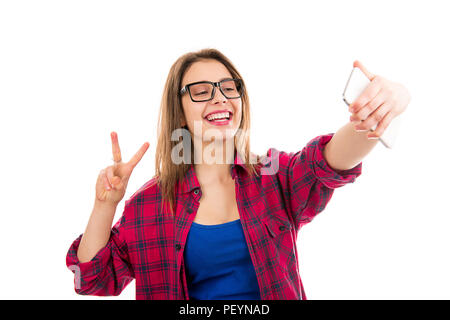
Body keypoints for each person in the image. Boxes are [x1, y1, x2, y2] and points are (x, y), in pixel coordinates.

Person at [66, 48, 410, 300]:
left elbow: (330, 160)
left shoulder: (274, 177)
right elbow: (92, 280)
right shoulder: (149, 204)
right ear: (180, 113)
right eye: (201, 92)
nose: (220, 99)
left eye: (229, 88)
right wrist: (104, 205)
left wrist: (384, 105)